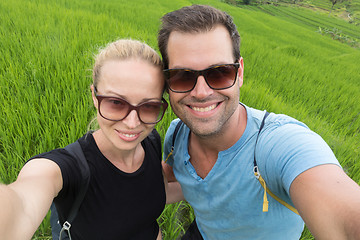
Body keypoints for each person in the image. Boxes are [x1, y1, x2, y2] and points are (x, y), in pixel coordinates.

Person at [158, 5, 360, 240]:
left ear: (240, 73)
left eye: (219, 72)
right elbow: (176, 176)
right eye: (183, 76)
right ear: (167, 81)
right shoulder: (177, 135)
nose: (201, 92)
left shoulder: (278, 144)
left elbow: (343, 210)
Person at [0, 39, 183, 240]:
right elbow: (23, 206)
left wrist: (212, 189)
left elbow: (155, 193)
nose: (132, 123)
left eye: (149, 106)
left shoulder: (152, 141)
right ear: (95, 97)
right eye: (115, 102)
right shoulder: (69, 169)